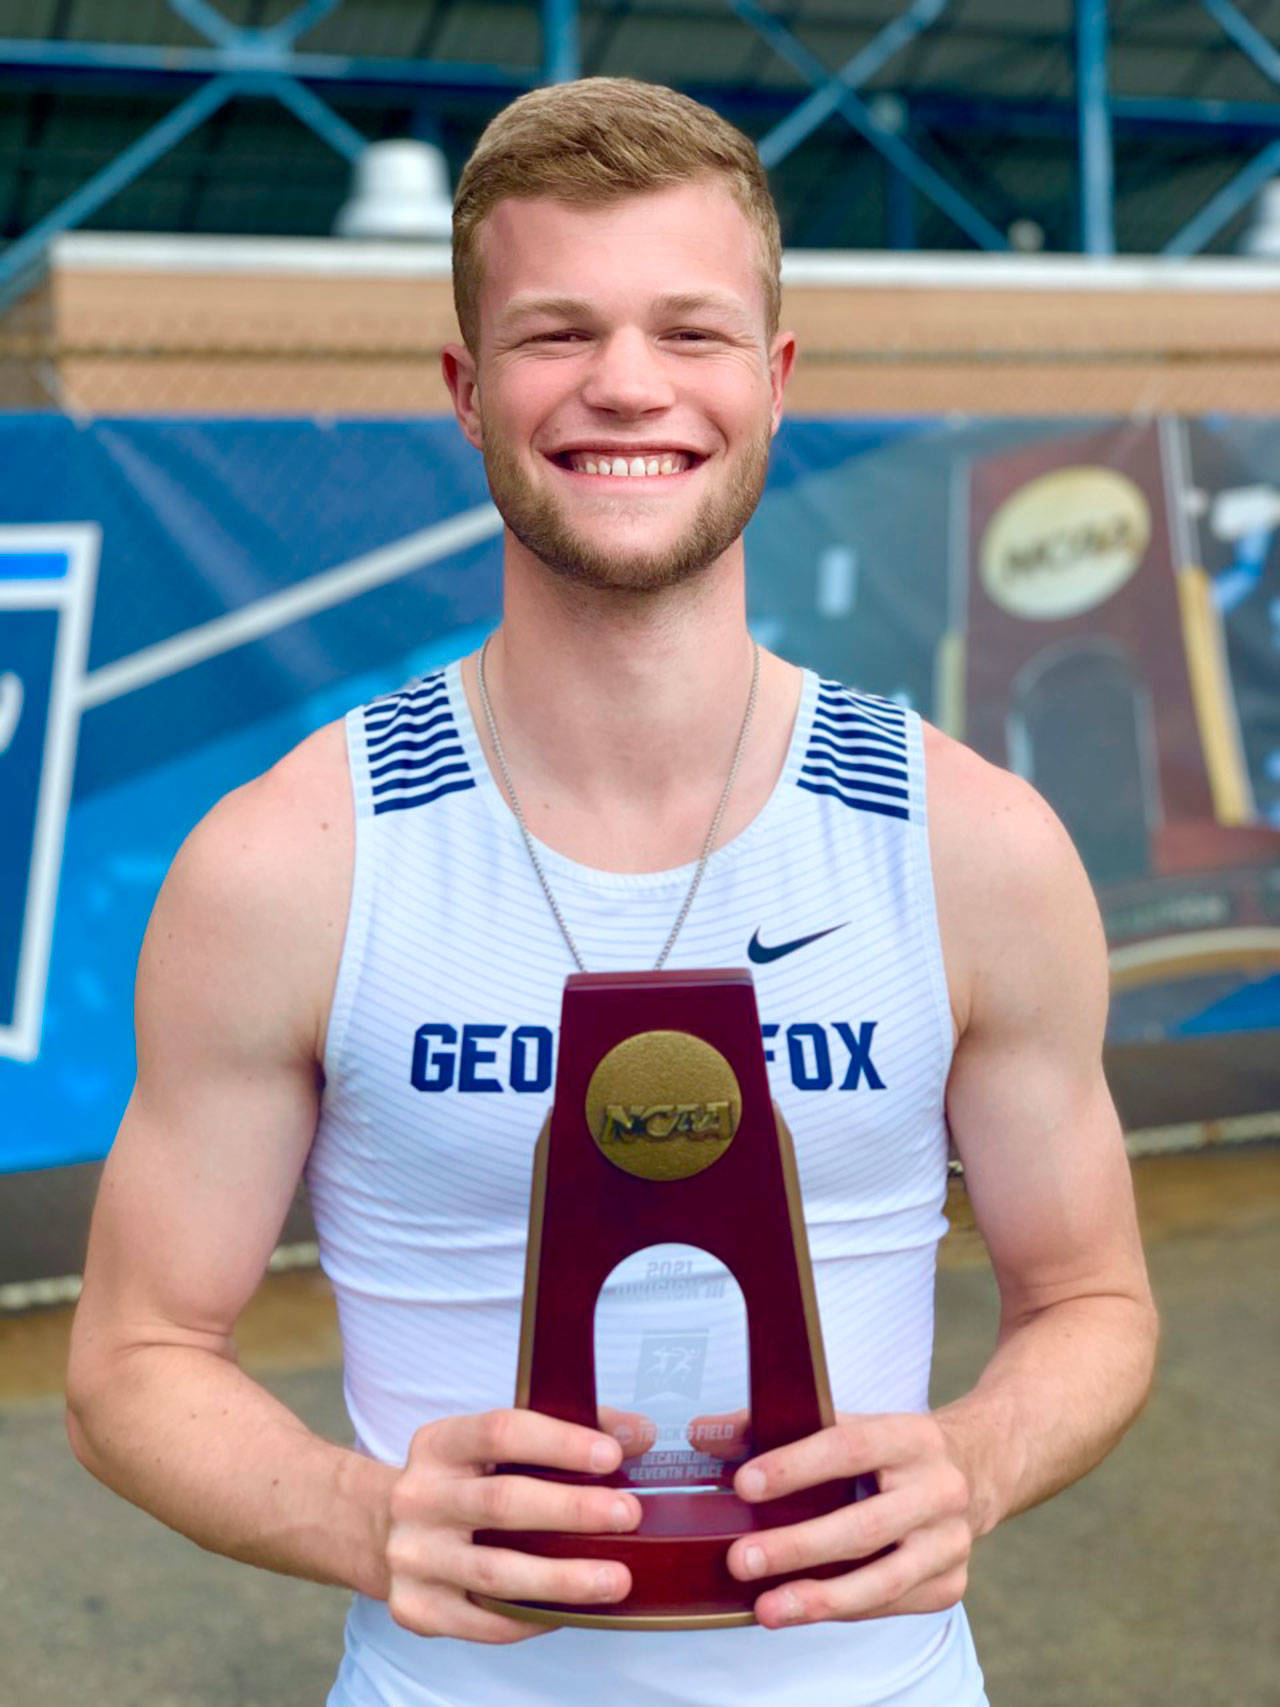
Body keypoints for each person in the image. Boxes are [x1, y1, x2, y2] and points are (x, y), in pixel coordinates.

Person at [66, 77, 1158, 1707]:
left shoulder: (966, 842)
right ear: (467, 383)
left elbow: (1090, 1297)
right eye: (557, 332)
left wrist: (980, 1462)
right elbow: (131, 1361)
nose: (627, 385)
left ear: (776, 382)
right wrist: (364, 1518)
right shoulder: (292, 861)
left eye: (691, 332)